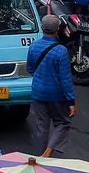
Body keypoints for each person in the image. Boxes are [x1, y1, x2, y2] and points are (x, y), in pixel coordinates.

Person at [26, 15, 76, 157]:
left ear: (42, 28)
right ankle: (48, 152)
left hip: (38, 93)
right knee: (63, 122)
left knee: (41, 127)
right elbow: (65, 79)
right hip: (56, 96)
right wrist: (71, 101)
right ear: (58, 29)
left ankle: (38, 157)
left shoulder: (34, 46)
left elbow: (30, 68)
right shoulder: (61, 51)